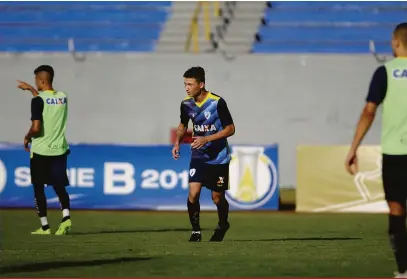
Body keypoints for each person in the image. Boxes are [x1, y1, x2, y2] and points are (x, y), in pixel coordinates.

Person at [345, 23, 407, 278]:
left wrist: (353, 148)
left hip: (395, 154)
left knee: (396, 211)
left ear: (395, 42)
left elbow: (369, 111)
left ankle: (404, 270)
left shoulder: (385, 72)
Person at [172, 66, 235, 242]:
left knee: (217, 198)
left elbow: (231, 129)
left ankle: (223, 224)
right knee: (193, 193)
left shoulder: (217, 102)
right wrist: (177, 142)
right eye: (185, 84)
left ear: (201, 84)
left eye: (190, 84)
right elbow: (183, 125)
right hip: (199, 155)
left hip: (219, 156)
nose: (186, 88)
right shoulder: (186, 104)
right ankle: (196, 231)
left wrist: (207, 139)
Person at [16, 65, 72, 235]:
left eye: (36, 81)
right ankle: (66, 217)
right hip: (59, 149)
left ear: (41, 80)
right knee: (59, 185)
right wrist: (32, 90)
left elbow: (36, 127)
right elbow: (47, 103)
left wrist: (27, 137)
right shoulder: (63, 97)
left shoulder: (37, 101)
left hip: (41, 150)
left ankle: (45, 226)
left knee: (38, 187)